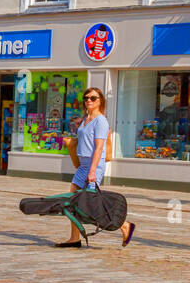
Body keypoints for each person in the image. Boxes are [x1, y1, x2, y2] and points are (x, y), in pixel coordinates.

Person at [57, 87, 134, 249]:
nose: (88, 101)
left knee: (91, 204)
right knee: (71, 202)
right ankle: (74, 238)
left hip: (93, 166)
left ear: (100, 101)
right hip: (83, 165)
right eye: (86, 98)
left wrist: (92, 171)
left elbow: (99, 148)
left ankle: (124, 225)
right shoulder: (86, 118)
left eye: (93, 98)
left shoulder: (101, 121)